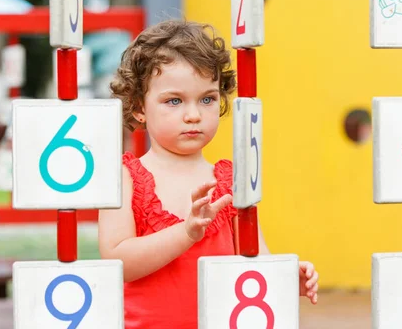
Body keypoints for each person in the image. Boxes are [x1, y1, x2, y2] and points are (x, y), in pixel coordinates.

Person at [98, 19, 319, 328]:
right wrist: (185, 233)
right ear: (139, 107)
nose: (193, 115)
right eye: (174, 101)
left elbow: (255, 256)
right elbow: (117, 262)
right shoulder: (126, 177)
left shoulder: (231, 180)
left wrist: (283, 276)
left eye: (207, 99)